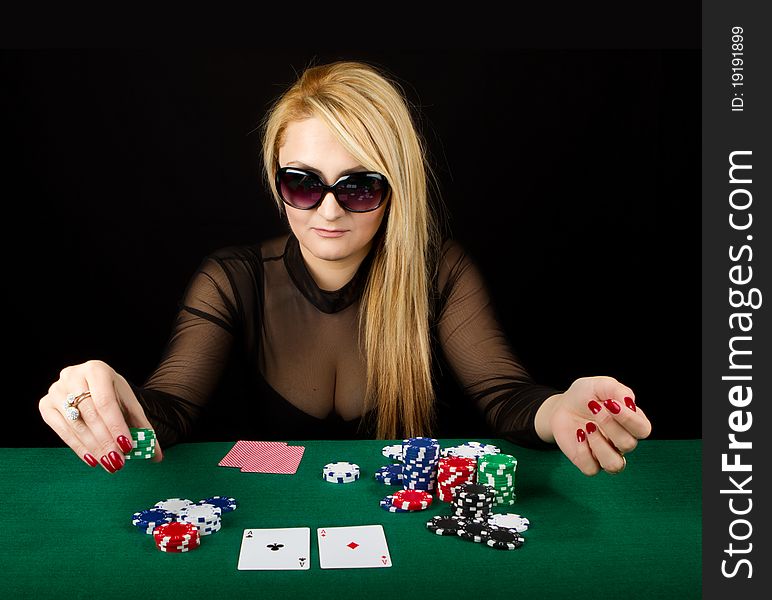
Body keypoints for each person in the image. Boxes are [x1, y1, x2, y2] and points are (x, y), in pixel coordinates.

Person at [38, 59, 651, 476]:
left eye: (358, 187)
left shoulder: (440, 272)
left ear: (396, 190)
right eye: (302, 184)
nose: (328, 210)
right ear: (276, 185)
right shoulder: (232, 279)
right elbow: (167, 410)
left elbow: (506, 396)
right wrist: (108, 400)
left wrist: (559, 409)